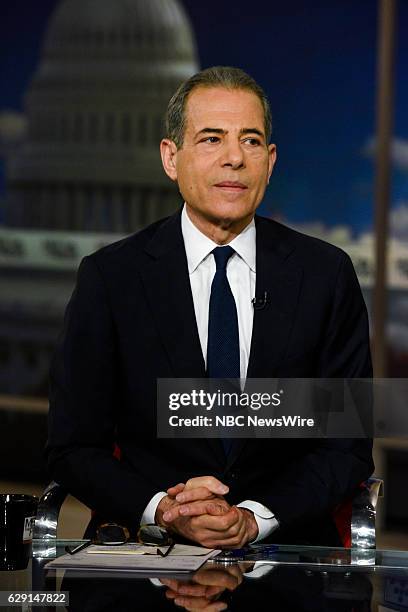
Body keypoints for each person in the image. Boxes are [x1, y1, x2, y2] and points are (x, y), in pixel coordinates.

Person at [46, 66, 374, 548]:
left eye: (251, 140)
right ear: (170, 157)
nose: (234, 158)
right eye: (211, 139)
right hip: (145, 550)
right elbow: (72, 447)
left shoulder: (326, 275)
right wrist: (166, 509)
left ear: (271, 160)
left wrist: (253, 517)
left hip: (287, 551)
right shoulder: (111, 278)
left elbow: (347, 448)